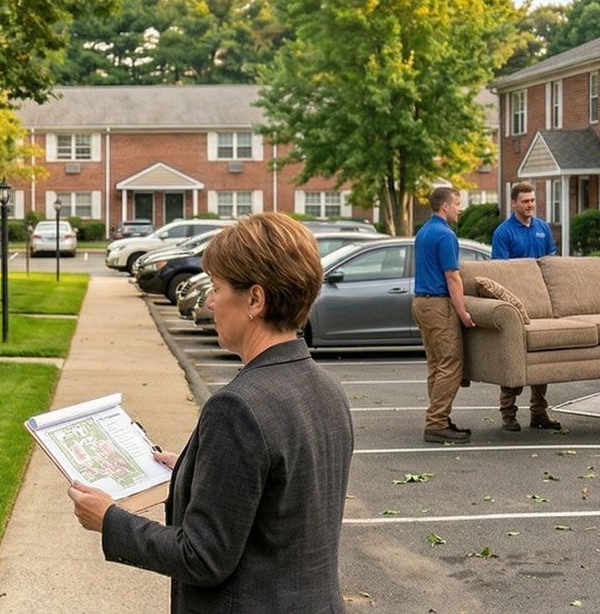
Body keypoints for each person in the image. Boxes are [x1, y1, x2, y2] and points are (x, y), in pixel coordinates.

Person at [68, 213, 354, 612]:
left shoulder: (237, 407)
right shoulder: (327, 389)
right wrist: (190, 469)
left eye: (217, 288)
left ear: (255, 299)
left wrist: (109, 519)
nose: (208, 300)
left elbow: (202, 557)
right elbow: (275, 503)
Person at [489, 182, 563, 433]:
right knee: (515, 356)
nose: (530, 205)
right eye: (525, 201)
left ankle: (539, 412)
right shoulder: (504, 232)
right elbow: (501, 270)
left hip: (541, 301)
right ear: (513, 203)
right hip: (516, 302)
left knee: (540, 356)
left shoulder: (542, 228)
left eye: (532, 200)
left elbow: (550, 263)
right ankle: (508, 413)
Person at [413, 184, 474, 443]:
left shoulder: (424, 232)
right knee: (451, 364)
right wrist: (462, 311)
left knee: (436, 365)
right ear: (445, 206)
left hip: (420, 303)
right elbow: (452, 276)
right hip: (438, 305)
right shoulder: (446, 235)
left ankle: (439, 417)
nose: (460, 209)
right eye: (457, 204)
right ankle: (437, 422)